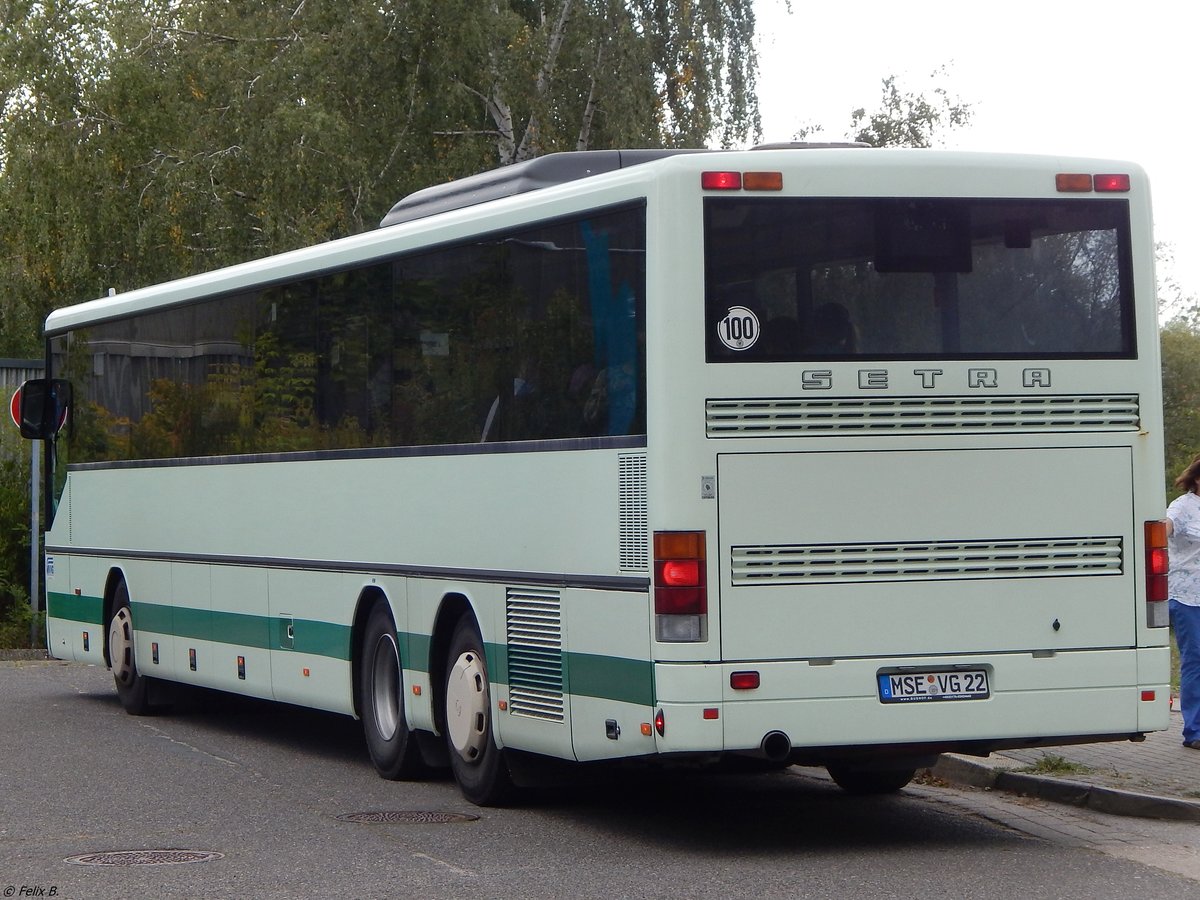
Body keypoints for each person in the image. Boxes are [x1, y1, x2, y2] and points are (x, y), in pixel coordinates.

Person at [1165, 454, 1200, 749]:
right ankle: (1194, 731)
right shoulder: (1182, 506)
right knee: (1195, 659)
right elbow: (1165, 527)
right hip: (1187, 595)